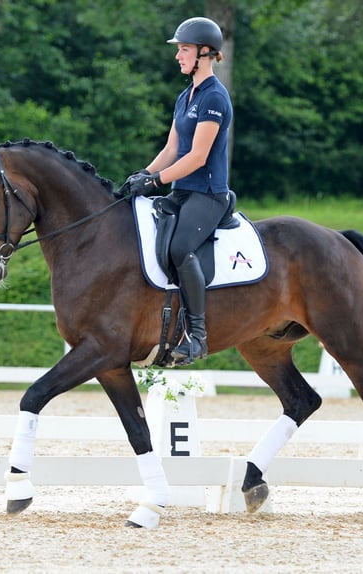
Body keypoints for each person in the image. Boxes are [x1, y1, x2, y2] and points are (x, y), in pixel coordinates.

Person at [122, 16, 233, 367]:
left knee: (181, 246)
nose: (178, 56)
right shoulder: (186, 96)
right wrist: (142, 175)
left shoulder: (215, 97)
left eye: (184, 50)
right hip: (183, 191)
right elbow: (172, 149)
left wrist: (156, 182)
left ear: (204, 53)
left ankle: (198, 336)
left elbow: (197, 157)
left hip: (208, 194)